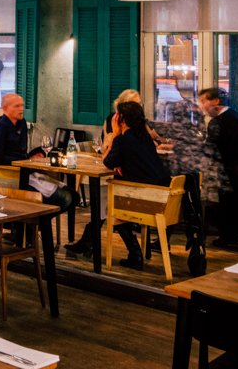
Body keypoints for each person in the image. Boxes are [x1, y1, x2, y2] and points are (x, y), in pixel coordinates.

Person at [68, 100, 171, 269]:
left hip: (146, 200)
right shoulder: (145, 138)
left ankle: (134, 254)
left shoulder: (123, 140)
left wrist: (115, 135)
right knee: (111, 203)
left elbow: (107, 162)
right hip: (160, 197)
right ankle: (90, 242)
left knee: (111, 209)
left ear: (121, 119)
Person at [0, 93, 75, 212]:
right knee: (65, 198)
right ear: (5, 108)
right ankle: (41, 219)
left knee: (74, 196)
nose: (21, 109)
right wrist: (26, 160)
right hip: (10, 177)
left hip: (26, 172)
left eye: (22, 105)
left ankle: (41, 218)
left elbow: (21, 152)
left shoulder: (21, 123)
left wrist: (33, 156)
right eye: (17, 106)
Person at [198, 87, 238, 170]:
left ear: (216, 101)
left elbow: (209, 150)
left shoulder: (217, 122)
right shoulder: (235, 114)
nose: (201, 106)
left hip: (235, 171)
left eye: (203, 102)